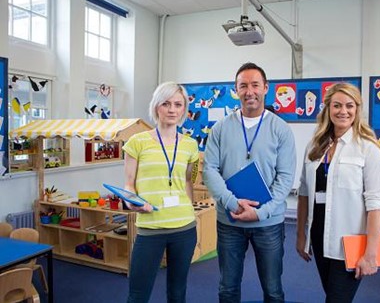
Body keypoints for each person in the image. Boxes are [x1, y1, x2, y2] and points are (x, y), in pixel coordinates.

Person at [203, 62, 296, 303]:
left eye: (255, 85)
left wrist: (261, 212)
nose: (249, 91)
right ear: (236, 90)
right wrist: (232, 203)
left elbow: (285, 178)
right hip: (229, 222)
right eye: (243, 86)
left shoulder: (281, 129)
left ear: (266, 88)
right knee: (227, 289)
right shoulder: (220, 128)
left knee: (273, 290)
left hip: (269, 223)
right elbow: (210, 169)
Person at [296, 82, 380, 302]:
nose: (343, 111)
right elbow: (304, 193)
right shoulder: (314, 146)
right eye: (336, 105)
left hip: (349, 243)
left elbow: (376, 205)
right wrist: (301, 235)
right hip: (319, 238)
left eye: (349, 105)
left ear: (357, 110)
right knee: (333, 294)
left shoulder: (368, 148)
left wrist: (371, 254)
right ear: (328, 109)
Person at [122, 82, 199, 303]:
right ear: (157, 107)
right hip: (150, 227)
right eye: (166, 104)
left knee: (177, 292)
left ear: (184, 109)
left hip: (184, 227)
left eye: (178, 104)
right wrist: (131, 202)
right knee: (138, 294)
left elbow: (187, 182)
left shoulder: (191, 145)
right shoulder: (137, 142)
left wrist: (191, 211)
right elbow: (129, 184)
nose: (172, 109)